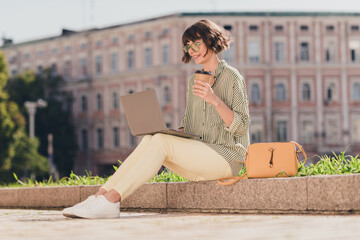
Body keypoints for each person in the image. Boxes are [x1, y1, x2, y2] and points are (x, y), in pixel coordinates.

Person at [62, 19, 250, 219]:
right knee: (152, 138)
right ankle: (101, 195)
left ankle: (112, 200)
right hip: (200, 159)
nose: (191, 49)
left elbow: (242, 126)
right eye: (187, 45)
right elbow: (189, 125)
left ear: (211, 41)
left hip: (227, 160)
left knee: (160, 141)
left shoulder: (232, 77)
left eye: (196, 43)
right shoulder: (192, 82)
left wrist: (214, 100)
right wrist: (171, 133)